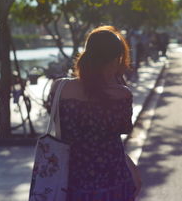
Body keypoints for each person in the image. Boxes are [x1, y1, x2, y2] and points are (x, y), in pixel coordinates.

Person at [48, 25, 141, 201]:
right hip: (112, 180)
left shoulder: (60, 88)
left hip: (70, 182)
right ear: (115, 60)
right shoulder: (121, 94)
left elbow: (60, 127)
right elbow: (116, 137)